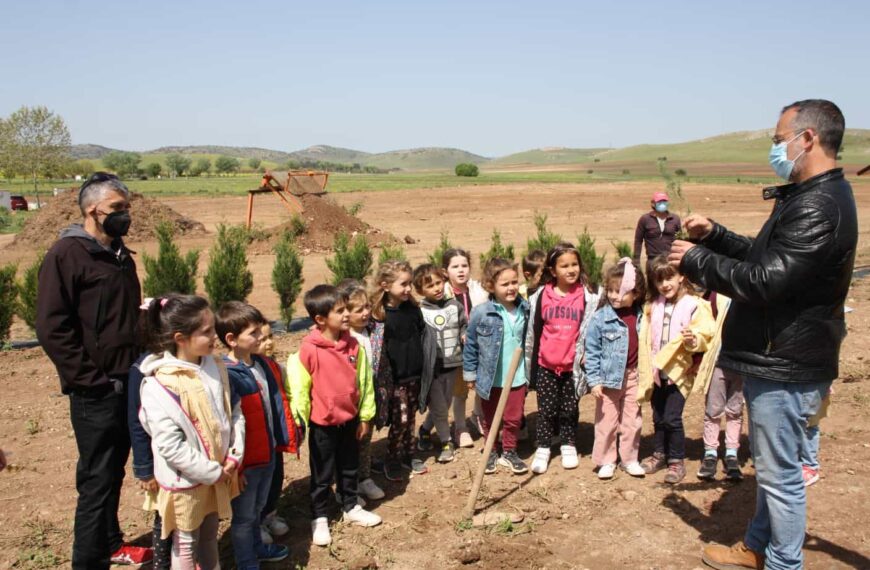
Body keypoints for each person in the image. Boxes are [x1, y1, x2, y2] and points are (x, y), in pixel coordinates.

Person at [670, 100, 857, 570]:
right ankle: (757, 547)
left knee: (780, 479)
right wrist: (714, 236)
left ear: (807, 139)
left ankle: (783, 564)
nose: (775, 148)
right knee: (774, 474)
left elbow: (764, 282)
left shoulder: (818, 204)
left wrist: (695, 262)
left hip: (787, 365)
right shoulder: (808, 196)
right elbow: (763, 258)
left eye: (779, 140)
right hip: (782, 357)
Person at [35, 172, 152, 568]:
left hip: (128, 380)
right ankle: (88, 561)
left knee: (115, 472)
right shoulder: (67, 255)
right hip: (96, 390)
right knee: (97, 481)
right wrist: (91, 380)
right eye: (118, 208)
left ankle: (111, 542)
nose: (126, 215)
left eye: (127, 208)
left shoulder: (118, 254)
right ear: (92, 210)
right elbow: (53, 328)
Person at [138, 294, 244, 570]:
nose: (214, 336)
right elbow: (170, 446)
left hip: (220, 471)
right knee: (185, 543)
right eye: (206, 332)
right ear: (180, 338)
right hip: (188, 482)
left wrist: (235, 454)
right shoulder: (160, 385)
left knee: (210, 535)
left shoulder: (214, 365)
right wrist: (210, 471)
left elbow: (233, 412)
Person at [286, 285, 381, 547]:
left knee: (349, 466)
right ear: (320, 319)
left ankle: (350, 505)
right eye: (339, 311)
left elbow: (363, 382)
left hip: (349, 421)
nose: (346, 315)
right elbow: (301, 389)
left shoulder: (353, 345)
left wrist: (364, 416)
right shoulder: (309, 350)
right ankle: (319, 517)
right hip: (322, 425)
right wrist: (301, 422)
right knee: (322, 473)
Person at [217, 302, 294, 568]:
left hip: (267, 453)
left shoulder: (262, 365)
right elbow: (227, 424)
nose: (261, 337)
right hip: (245, 463)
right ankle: (246, 561)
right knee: (244, 517)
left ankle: (258, 548)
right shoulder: (227, 374)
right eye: (254, 333)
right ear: (231, 339)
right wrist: (235, 465)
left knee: (258, 510)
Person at [637, 256, 715, 484]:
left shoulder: (695, 305)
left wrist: (693, 340)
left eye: (669, 277)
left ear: (682, 276)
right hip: (656, 371)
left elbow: (706, 335)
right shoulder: (653, 306)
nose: (665, 284)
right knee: (659, 417)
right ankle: (659, 454)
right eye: (659, 280)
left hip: (679, 373)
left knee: (672, 417)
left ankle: (676, 460)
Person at [525, 242, 601, 474]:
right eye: (564, 265)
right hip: (546, 363)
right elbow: (533, 330)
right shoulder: (541, 295)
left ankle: (569, 444)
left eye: (574, 264)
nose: (571, 270)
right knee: (546, 410)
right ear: (552, 270)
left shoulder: (588, 296)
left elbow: (591, 327)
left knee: (570, 408)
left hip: (572, 365)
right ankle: (544, 447)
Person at [463, 258, 530, 474]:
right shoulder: (482, 312)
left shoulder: (525, 309)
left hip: (517, 376)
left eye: (514, 282)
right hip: (490, 378)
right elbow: (471, 344)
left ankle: (509, 451)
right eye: (505, 284)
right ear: (491, 285)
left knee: (514, 417)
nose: (511, 288)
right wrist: (470, 374)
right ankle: (491, 449)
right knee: (490, 417)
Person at [370, 261, 434, 481]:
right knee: (401, 420)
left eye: (409, 284)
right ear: (385, 285)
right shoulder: (379, 317)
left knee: (411, 418)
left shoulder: (412, 309)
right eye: (403, 284)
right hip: (394, 380)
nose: (408, 288)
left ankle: (408, 454)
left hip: (414, 376)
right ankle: (392, 459)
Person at [585, 258, 647, 480]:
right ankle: (607, 460)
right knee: (607, 422)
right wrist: (593, 380)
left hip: (634, 376)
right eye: (610, 290)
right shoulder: (601, 318)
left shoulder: (642, 316)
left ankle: (629, 459)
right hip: (608, 379)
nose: (613, 295)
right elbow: (591, 350)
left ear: (636, 293)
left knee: (632, 421)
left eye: (620, 291)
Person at [337, 279, 386, 501]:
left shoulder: (373, 331)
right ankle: (345, 486)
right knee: (347, 446)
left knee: (365, 439)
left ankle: (364, 478)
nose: (366, 312)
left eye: (368, 306)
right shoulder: (343, 339)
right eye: (359, 309)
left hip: (370, 396)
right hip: (349, 401)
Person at [415, 263, 468, 464]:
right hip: (432, 370)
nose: (436, 288)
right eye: (430, 286)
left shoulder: (455, 306)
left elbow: (464, 325)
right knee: (439, 407)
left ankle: (425, 429)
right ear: (420, 290)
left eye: (439, 283)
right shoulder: (420, 311)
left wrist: (464, 335)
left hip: (453, 365)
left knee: (445, 404)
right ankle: (446, 442)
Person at [129, 346, 173, 569]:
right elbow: (137, 424)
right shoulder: (144, 369)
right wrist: (144, 468)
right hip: (162, 462)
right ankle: (162, 564)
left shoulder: (195, 359)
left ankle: (184, 559)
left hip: (192, 460)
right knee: (164, 515)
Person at [694, 291, 745, 482]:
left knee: (735, 409)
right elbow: (704, 324)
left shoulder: (751, 291)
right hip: (719, 362)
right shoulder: (715, 295)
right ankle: (710, 453)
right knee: (713, 409)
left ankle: (732, 453)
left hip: (742, 363)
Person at [442, 248, 489, 447]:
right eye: (455, 267)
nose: (461, 270)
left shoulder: (479, 291)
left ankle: (477, 415)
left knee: (481, 385)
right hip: (456, 352)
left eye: (464, 265)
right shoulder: (443, 294)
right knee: (460, 391)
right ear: (445, 271)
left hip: (479, 348)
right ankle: (460, 427)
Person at [633, 191, 682, 268]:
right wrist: (636, 261)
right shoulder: (645, 219)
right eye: (659, 201)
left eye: (664, 201)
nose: (662, 203)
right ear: (653, 203)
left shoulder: (675, 219)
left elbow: (680, 239)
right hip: (653, 260)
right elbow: (638, 240)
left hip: (670, 259)